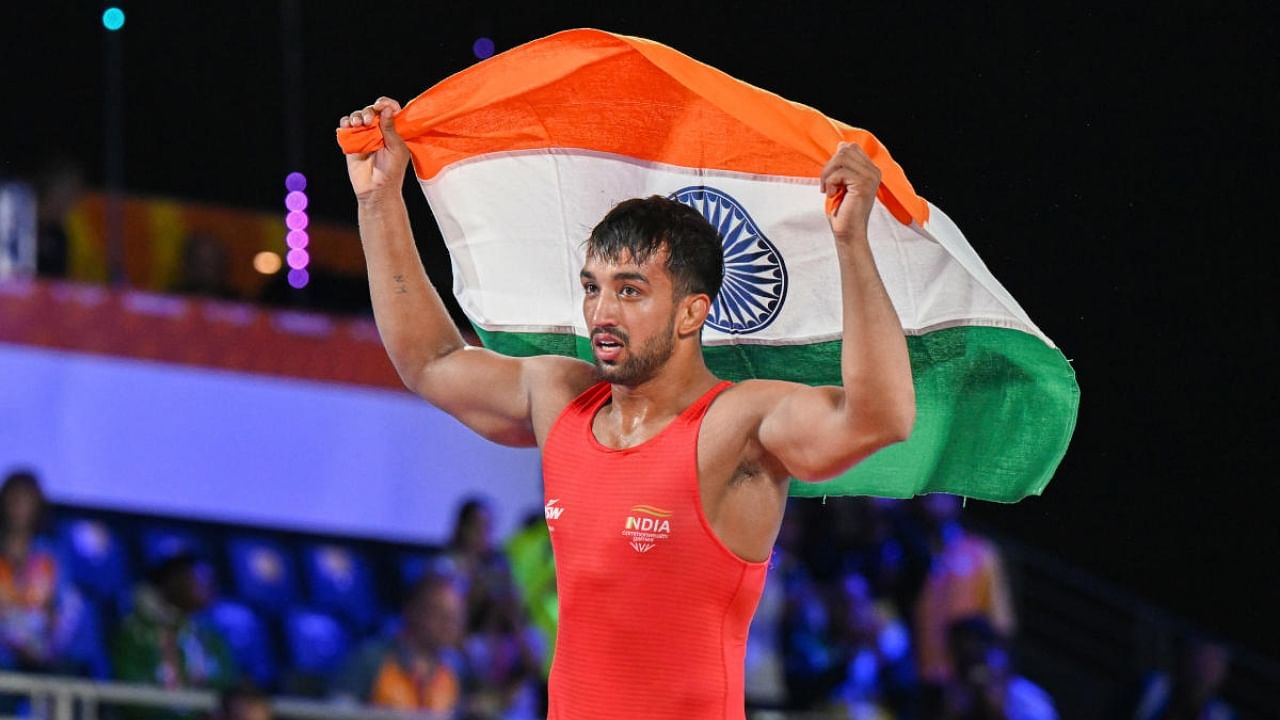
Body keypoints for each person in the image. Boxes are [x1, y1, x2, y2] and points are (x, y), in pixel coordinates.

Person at [339, 96, 915, 719]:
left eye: (631, 291)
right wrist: (379, 201)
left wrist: (852, 241)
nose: (602, 314)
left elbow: (880, 416)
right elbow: (429, 361)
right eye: (593, 287)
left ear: (693, 310)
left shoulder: (737, 425)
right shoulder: (560, 398)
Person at [111, 549, 238, 717]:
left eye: (210, 581)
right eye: (199, 579)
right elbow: (130, 693)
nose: (209, 587)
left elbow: (227, 684)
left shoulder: (211, 634)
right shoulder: (135, 632)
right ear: (173, 581)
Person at [334, 571, 469, 716]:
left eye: (456, 617)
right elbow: (334, 713)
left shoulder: (455, 670)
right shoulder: (371, 659)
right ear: (412, 611)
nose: (450, 625)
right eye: (441, 614)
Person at [0, 469, 83, 673]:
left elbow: (67, 608)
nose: (18, 506)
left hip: (43, 655)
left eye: (26, 499)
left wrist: (47, 647)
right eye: (14, 498)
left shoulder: (51, 556)